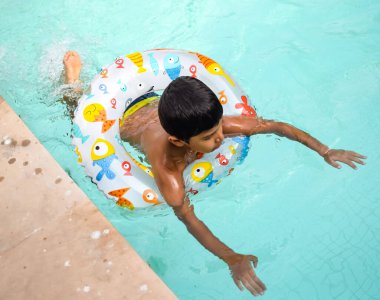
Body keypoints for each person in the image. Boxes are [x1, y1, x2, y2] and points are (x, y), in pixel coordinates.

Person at [63, 51, 366, 297]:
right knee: (74, 110)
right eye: (209, 137)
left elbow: (276, 126)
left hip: (155, 102)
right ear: (179, 142)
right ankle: (73, 84)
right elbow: (190, 220)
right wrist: (230, 257)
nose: (220, 139)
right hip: (127, 122)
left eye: (219, 128)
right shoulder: (168, 172)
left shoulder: (211, 126)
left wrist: (324, 150)